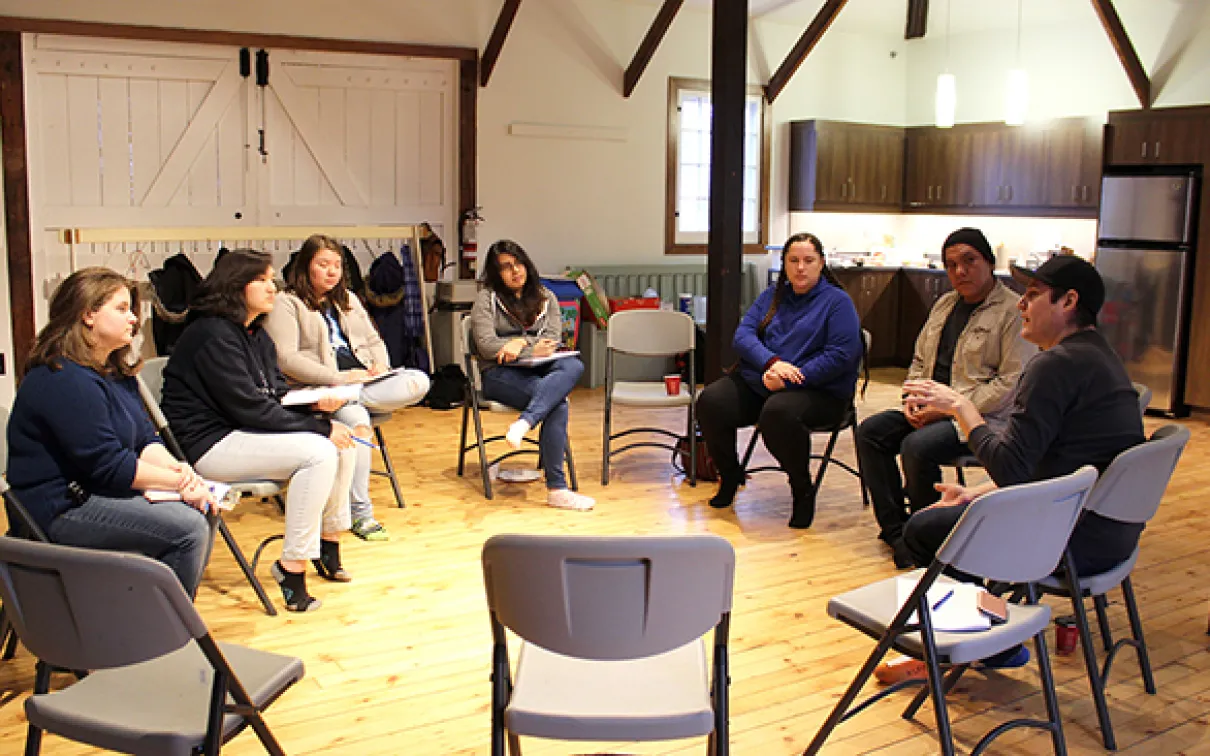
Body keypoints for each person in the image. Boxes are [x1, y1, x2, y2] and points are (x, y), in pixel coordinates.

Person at [882, 255, 1145, 678]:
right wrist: (976, 495)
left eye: (1034, 294)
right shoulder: (1100, 357)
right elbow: (1060, 467)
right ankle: (978, 635)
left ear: (1068, 301)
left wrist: (961, 408)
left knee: (924, 530)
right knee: (959, 516)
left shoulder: (1054, 366)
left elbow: (1014, 470)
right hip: (1110, 535)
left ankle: (977, 643)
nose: (1022, 303)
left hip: (1071, 541)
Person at [161, 249, 360, 613]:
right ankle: (292, 566)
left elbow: (273, 395)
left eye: (272, 279)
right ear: (237, 286)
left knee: (344, 443)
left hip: (242, 432)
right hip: (208, 444)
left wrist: (316, 405)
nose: (274, 288)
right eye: (264, 280)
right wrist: (317, 426)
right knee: (319, 451)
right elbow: (250, 408)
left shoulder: (253, 334)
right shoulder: (212, 334)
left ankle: (327, 542)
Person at [5, 268, 213, 597]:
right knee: (188, 529)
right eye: (121, 308)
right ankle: (152, 633)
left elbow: (145, 439)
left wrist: (179, 470)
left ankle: (142, 619)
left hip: (97, 491)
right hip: (60, 508)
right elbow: (109, 466)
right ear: (88, 314)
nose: (132, 318)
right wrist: (180, 484)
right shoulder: (61, 378)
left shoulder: (114, 373)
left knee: (203, 509)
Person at [855, 228, 1035, 568]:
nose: (960, 272)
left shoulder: (1011, 311)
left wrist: (947, 408)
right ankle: (897, 531)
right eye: (951, 265)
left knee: (917, 446)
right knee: (871, 433)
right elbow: (920, 361)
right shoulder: (944, 304)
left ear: (989, 262)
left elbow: (1009, 384)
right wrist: (913, 397)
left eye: (969, 261)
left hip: (981, 421)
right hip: (931, 408)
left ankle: (928, 536)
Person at [265, 234, 431, 541]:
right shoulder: (286, 303)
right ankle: (360, 513)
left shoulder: (349, 300)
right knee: (357, 421)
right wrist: (339, 380)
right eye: (323, 265)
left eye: (337, 266)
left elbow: (373, 341)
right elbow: (286, 359)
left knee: (418, 381)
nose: (332, 272)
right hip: (317, 388)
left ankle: (353, 397)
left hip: (362, 383)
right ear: (306, 267)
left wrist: (380, 366)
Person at [695, 232, 863, 529]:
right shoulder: (772, 295)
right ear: (784, 264)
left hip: (819, 391)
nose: (800, 268)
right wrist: (772, 363)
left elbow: (841, 356)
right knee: (711, 401)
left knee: (778, 413)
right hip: (764, 380)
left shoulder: (838, 303)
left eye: (808, 261)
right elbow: (743, 336)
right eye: (793, 260)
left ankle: (802, 489)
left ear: (821, 264)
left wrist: (791, 379)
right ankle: (731, 474)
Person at [469, 240, 594, 511]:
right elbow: (486, 345)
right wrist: (524, 347)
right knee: (556, 403)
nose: (515, 271)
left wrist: (519, 346)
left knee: (574, 366)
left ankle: (525, 422)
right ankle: (557, 489)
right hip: (500, 374)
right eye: (506, 267)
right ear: (495, 273)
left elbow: (551, 340)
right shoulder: (486, 299)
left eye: (519, 264)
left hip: (540, 370)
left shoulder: (545, 296)